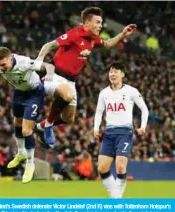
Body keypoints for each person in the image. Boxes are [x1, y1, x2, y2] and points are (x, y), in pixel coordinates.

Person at [35, 7, 137, 147]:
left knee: (68, 118)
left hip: (71, 80)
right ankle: (47, 126)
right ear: (87, 23)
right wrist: (40, 59)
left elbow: (107, 44)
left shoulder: (93, 38)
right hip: (55, 74)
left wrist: (122, 34)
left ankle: (40, 127)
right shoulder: (75, 34)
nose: (101, 25)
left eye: (101, 22)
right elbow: (49, 45)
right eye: (98, 22)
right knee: (67, 96)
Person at [0, 46, 55, 183]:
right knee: (17, 123)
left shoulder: (24, 62)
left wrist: (49, 74)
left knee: (26, 130)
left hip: (34, 93)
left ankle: (30, 163)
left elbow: (48, 66)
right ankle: (21, 152)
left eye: (3, 65)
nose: (0, 68)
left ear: (11, 58)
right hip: (18, 93)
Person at [94, 61, 149, 198]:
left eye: (115, 71)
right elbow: (99, 112)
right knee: (102, 168)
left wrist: (143, 126)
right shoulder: (104, 93)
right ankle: (115, 195)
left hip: (125, 132)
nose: (112, 74)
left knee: (120, 166)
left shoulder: (131, 91)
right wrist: (96, 128)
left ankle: (116, 198)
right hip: (109, 132)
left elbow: (144, 108)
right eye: (111, 71)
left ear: (122, 74)